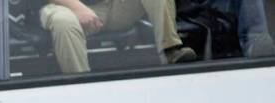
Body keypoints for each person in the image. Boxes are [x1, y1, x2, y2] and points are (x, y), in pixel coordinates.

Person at [39, 0, 196, 73]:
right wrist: (79, 8)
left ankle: (171, 52)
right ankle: (79, 80)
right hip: (68, 8)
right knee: (63, 21)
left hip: (112, 7)